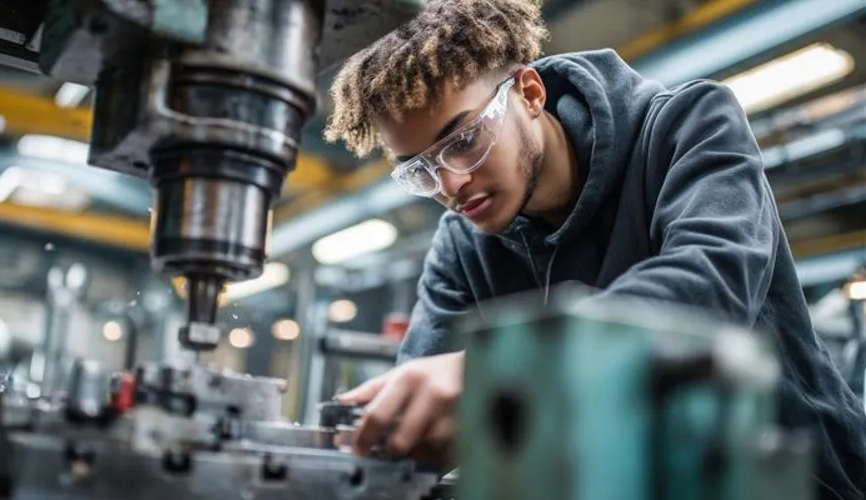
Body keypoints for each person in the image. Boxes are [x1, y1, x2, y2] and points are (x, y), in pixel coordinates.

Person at [321, 0, 866, 497]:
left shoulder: (688, 127)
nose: (450, 185)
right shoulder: (462, 246)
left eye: (463, 141)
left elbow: (711, 291)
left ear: (530, 93)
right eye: (420, 169)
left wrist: (494, 370)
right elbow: (421, 408)